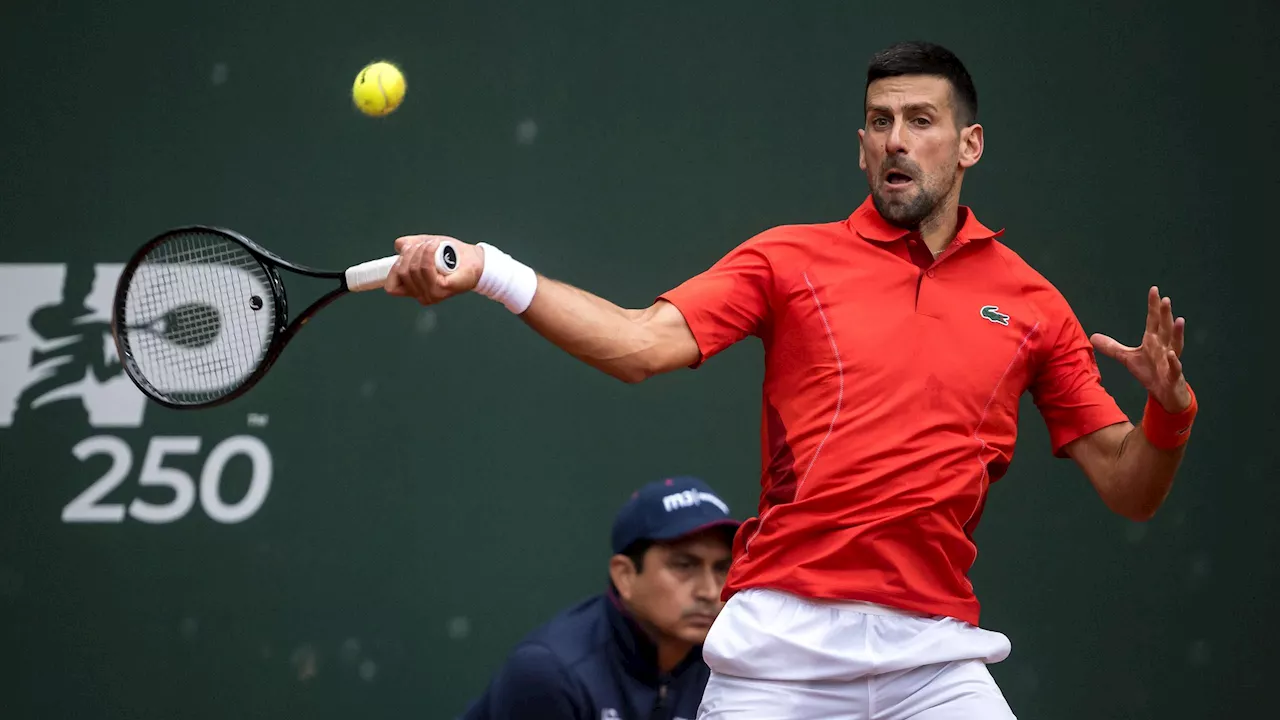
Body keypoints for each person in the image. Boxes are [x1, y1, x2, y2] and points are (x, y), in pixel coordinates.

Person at [394, 41, 1199, 719]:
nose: (896, 141)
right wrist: (491, 271)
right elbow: (636, 344)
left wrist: (1169, 415)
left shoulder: (1031, 303)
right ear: (860, 146)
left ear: (969, 145)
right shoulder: (789, 260)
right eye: (880, 123)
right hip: (779, 653)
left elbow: (1131, 489)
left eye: (921, 122)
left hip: (934, 657)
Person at [460, 476, 739, 720]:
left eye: (722, 568)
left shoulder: (730, 665)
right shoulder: (552, 673)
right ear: (625, 576)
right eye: (684, 565)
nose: (710, 592)